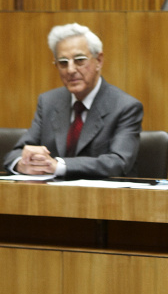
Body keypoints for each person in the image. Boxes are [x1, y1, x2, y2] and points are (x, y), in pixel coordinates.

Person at [4, 23, 142, 178]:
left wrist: (59, 165)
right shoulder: (48, 102)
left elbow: (118, 162)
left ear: (99, 61)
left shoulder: (125, 107)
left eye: (79, 60)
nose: (70, 70)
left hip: (104, 198)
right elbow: (14, 154)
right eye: (63, 63)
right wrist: (22, 163)